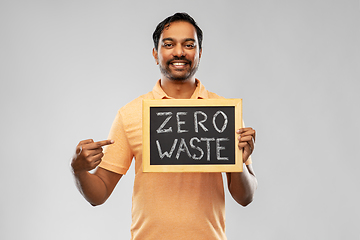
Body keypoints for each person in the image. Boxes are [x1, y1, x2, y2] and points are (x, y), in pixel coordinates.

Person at [71, 12, 257, 240]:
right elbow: (99, 193)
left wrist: (237, 161)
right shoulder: (131, 114)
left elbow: (245, 197)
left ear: (199, 53)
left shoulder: (223, 114)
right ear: (155, 54)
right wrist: (79, 170)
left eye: (189, 44)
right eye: (169, 44)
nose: (179, 52)